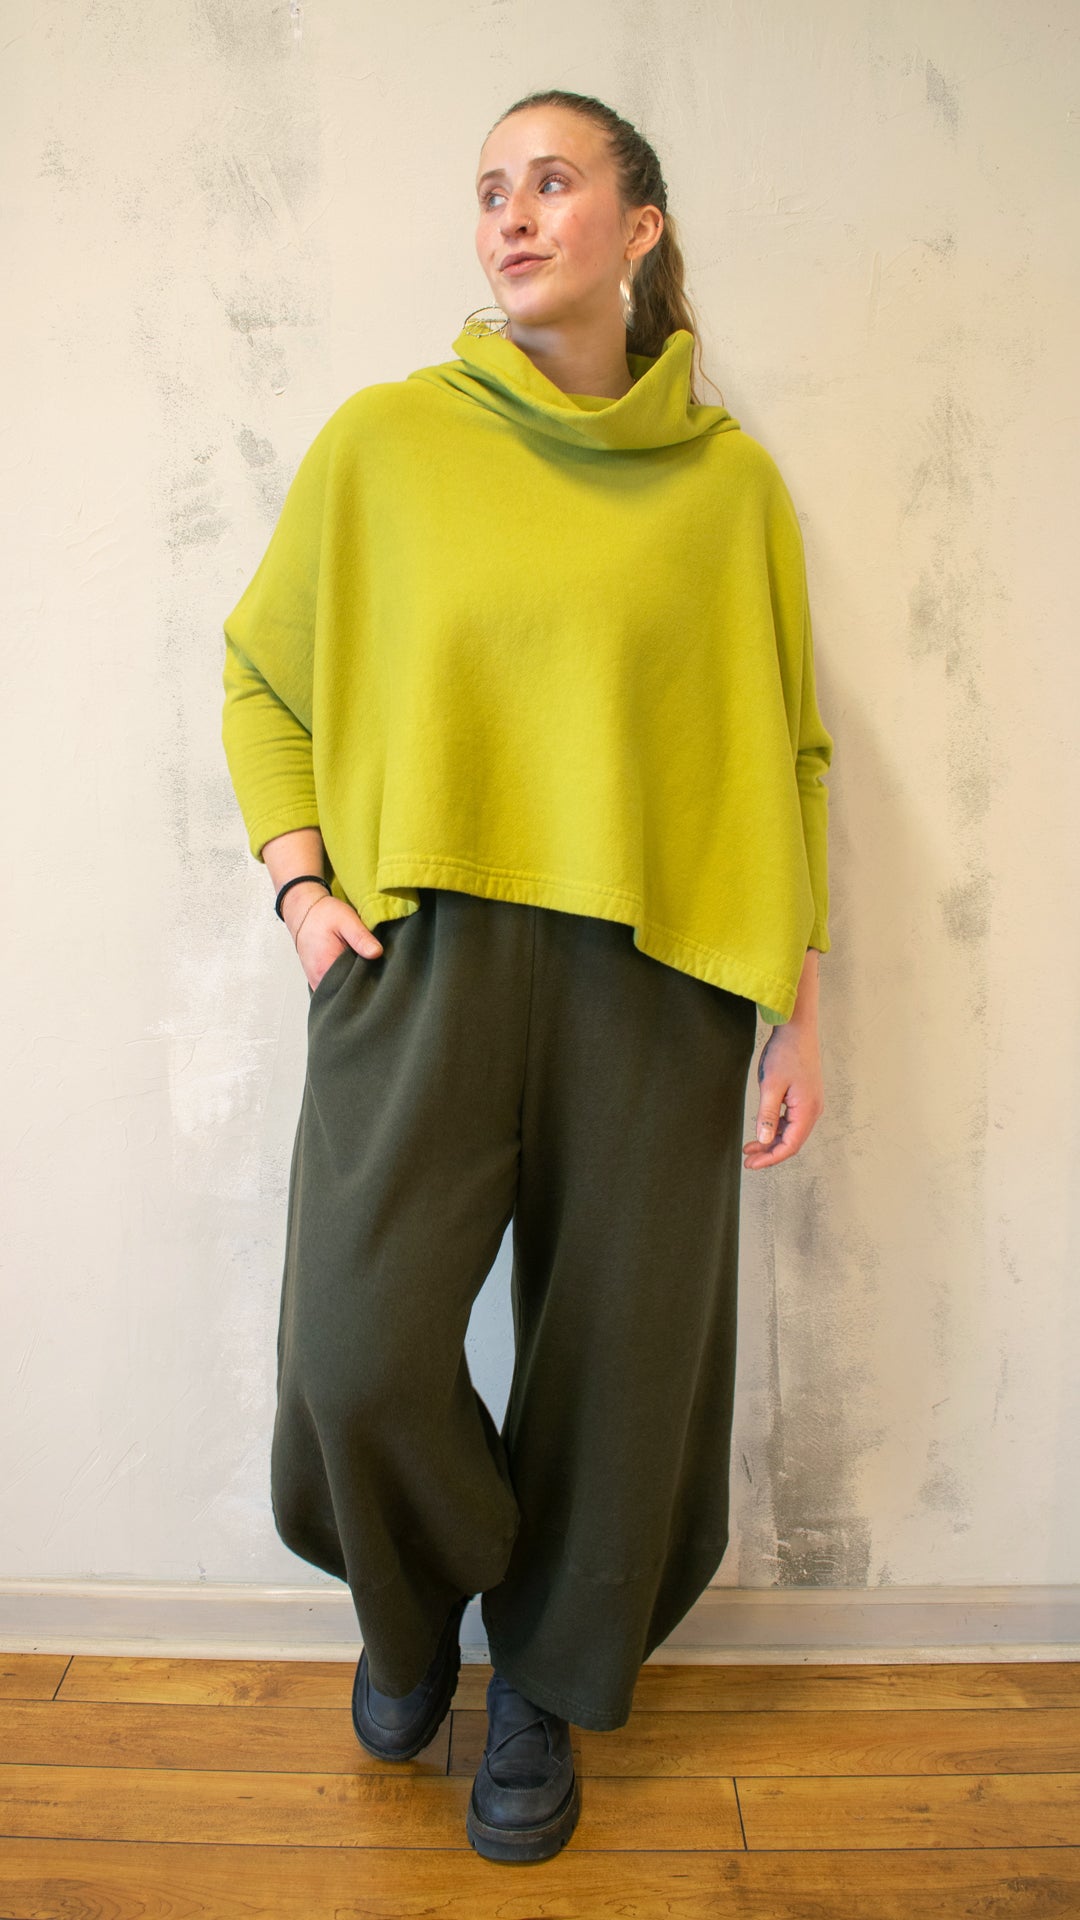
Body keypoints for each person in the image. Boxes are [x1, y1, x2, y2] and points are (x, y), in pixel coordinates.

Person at [221, 87, 833, 1867]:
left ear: (640, 226)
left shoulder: (729, 489)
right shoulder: (386, 445)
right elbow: (263, 678)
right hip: (419, 949)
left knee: (622, 1365)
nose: (511, 214)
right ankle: (417, 1611)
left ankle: (546, 1683)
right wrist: (300, 887)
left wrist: (801, 1008)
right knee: (355, 1353)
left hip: (658, 966)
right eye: (491, 187)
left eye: (554, 182)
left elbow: (787, 753)